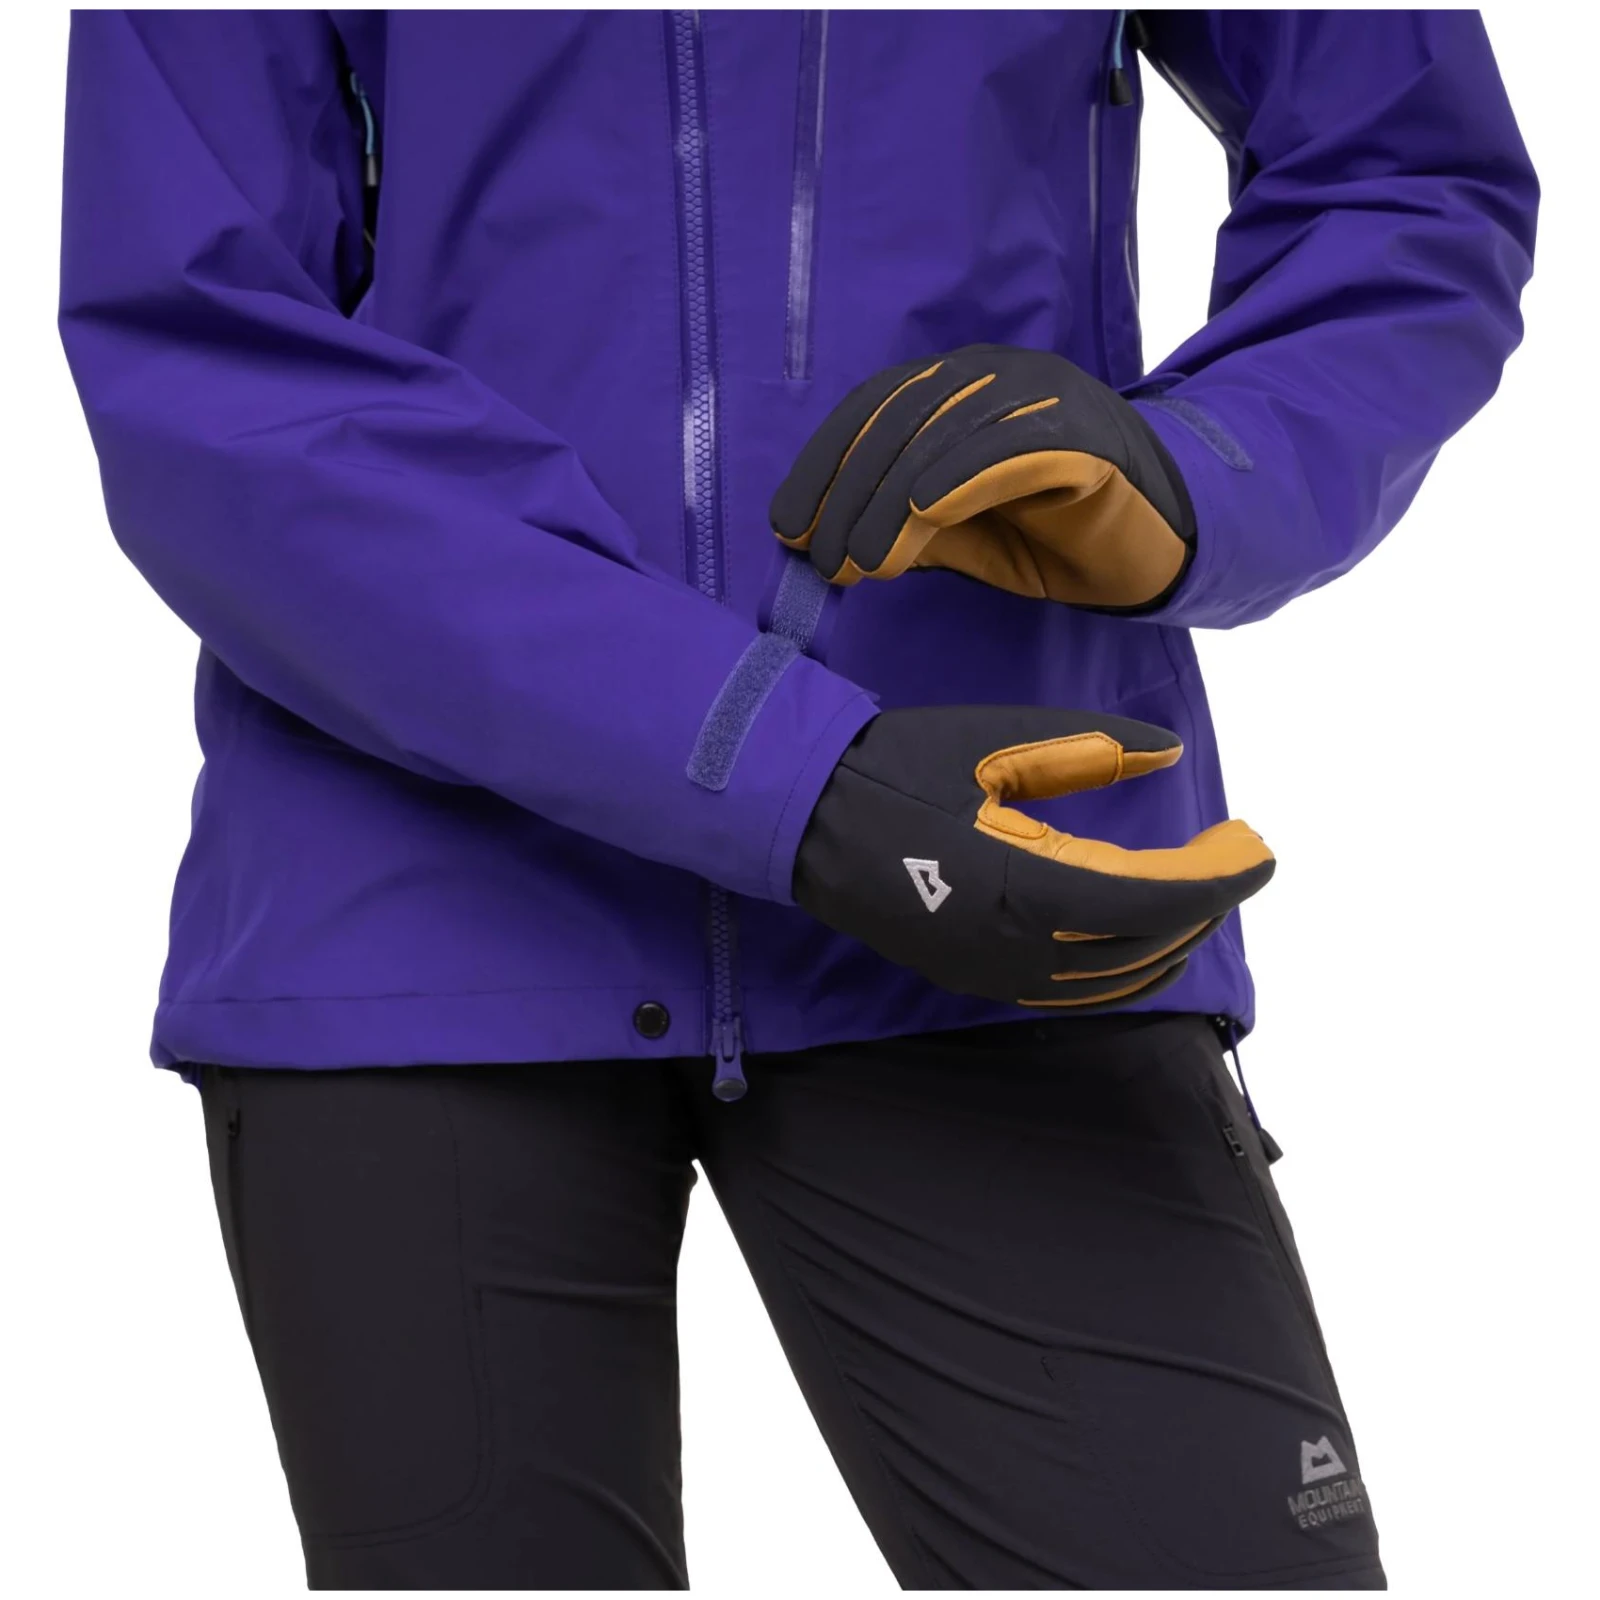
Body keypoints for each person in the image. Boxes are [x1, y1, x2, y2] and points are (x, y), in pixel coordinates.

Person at [58, 9, 1535, 1590]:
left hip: (987, 873)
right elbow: (205, 358)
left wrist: (1201, 470)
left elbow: (1406, 171)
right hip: (420, 914)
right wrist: (781, 767)